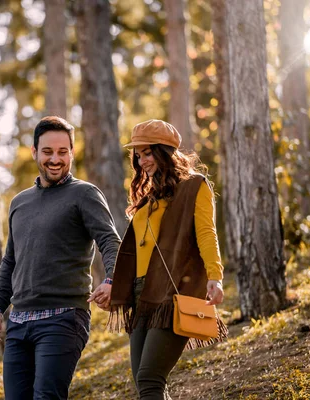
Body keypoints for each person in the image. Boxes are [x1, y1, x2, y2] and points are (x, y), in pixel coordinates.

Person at [0, 116, 121, 400]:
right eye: (48, 152)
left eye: (63, 152)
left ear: (71, 152)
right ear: (34, 152)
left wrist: (112, 279)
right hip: (19, 323)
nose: (55, 159)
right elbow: (11, 260)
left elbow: (110, 241)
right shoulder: (19, 202)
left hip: (63, 318)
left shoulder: (84, 194)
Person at [92, 119, 227, 400]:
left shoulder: (194, 186)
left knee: (150, 378)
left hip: (172, 291)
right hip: (142, 294)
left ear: (165, 151)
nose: (142, 161)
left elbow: (206, 233)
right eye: (138, 155)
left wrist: (215, 276)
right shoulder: (148, 197)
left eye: (147, 153)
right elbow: (136, 252)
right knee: (147, 384)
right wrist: (113, 283)